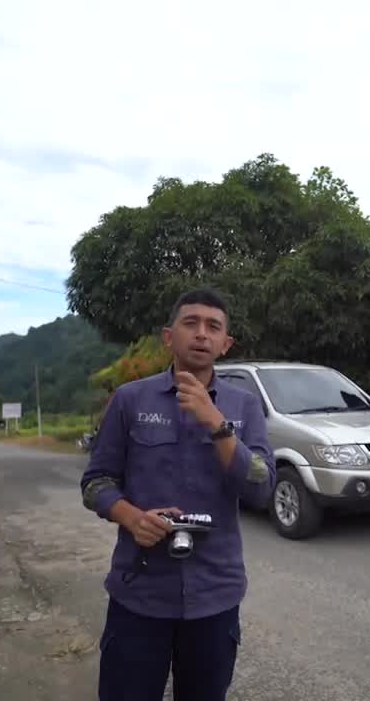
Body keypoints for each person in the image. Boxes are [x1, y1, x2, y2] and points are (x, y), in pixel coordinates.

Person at [80, 287, 275, 701]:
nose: (201, 334)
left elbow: (261, 488)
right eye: (191, 323)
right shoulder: (130, 400)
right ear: (169, 337)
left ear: (226, 344)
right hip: (139, 591)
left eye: (213, 327)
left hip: (214, 596)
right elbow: (95, 482)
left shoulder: (244, 407)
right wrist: (132, 517)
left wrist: (215, 422)